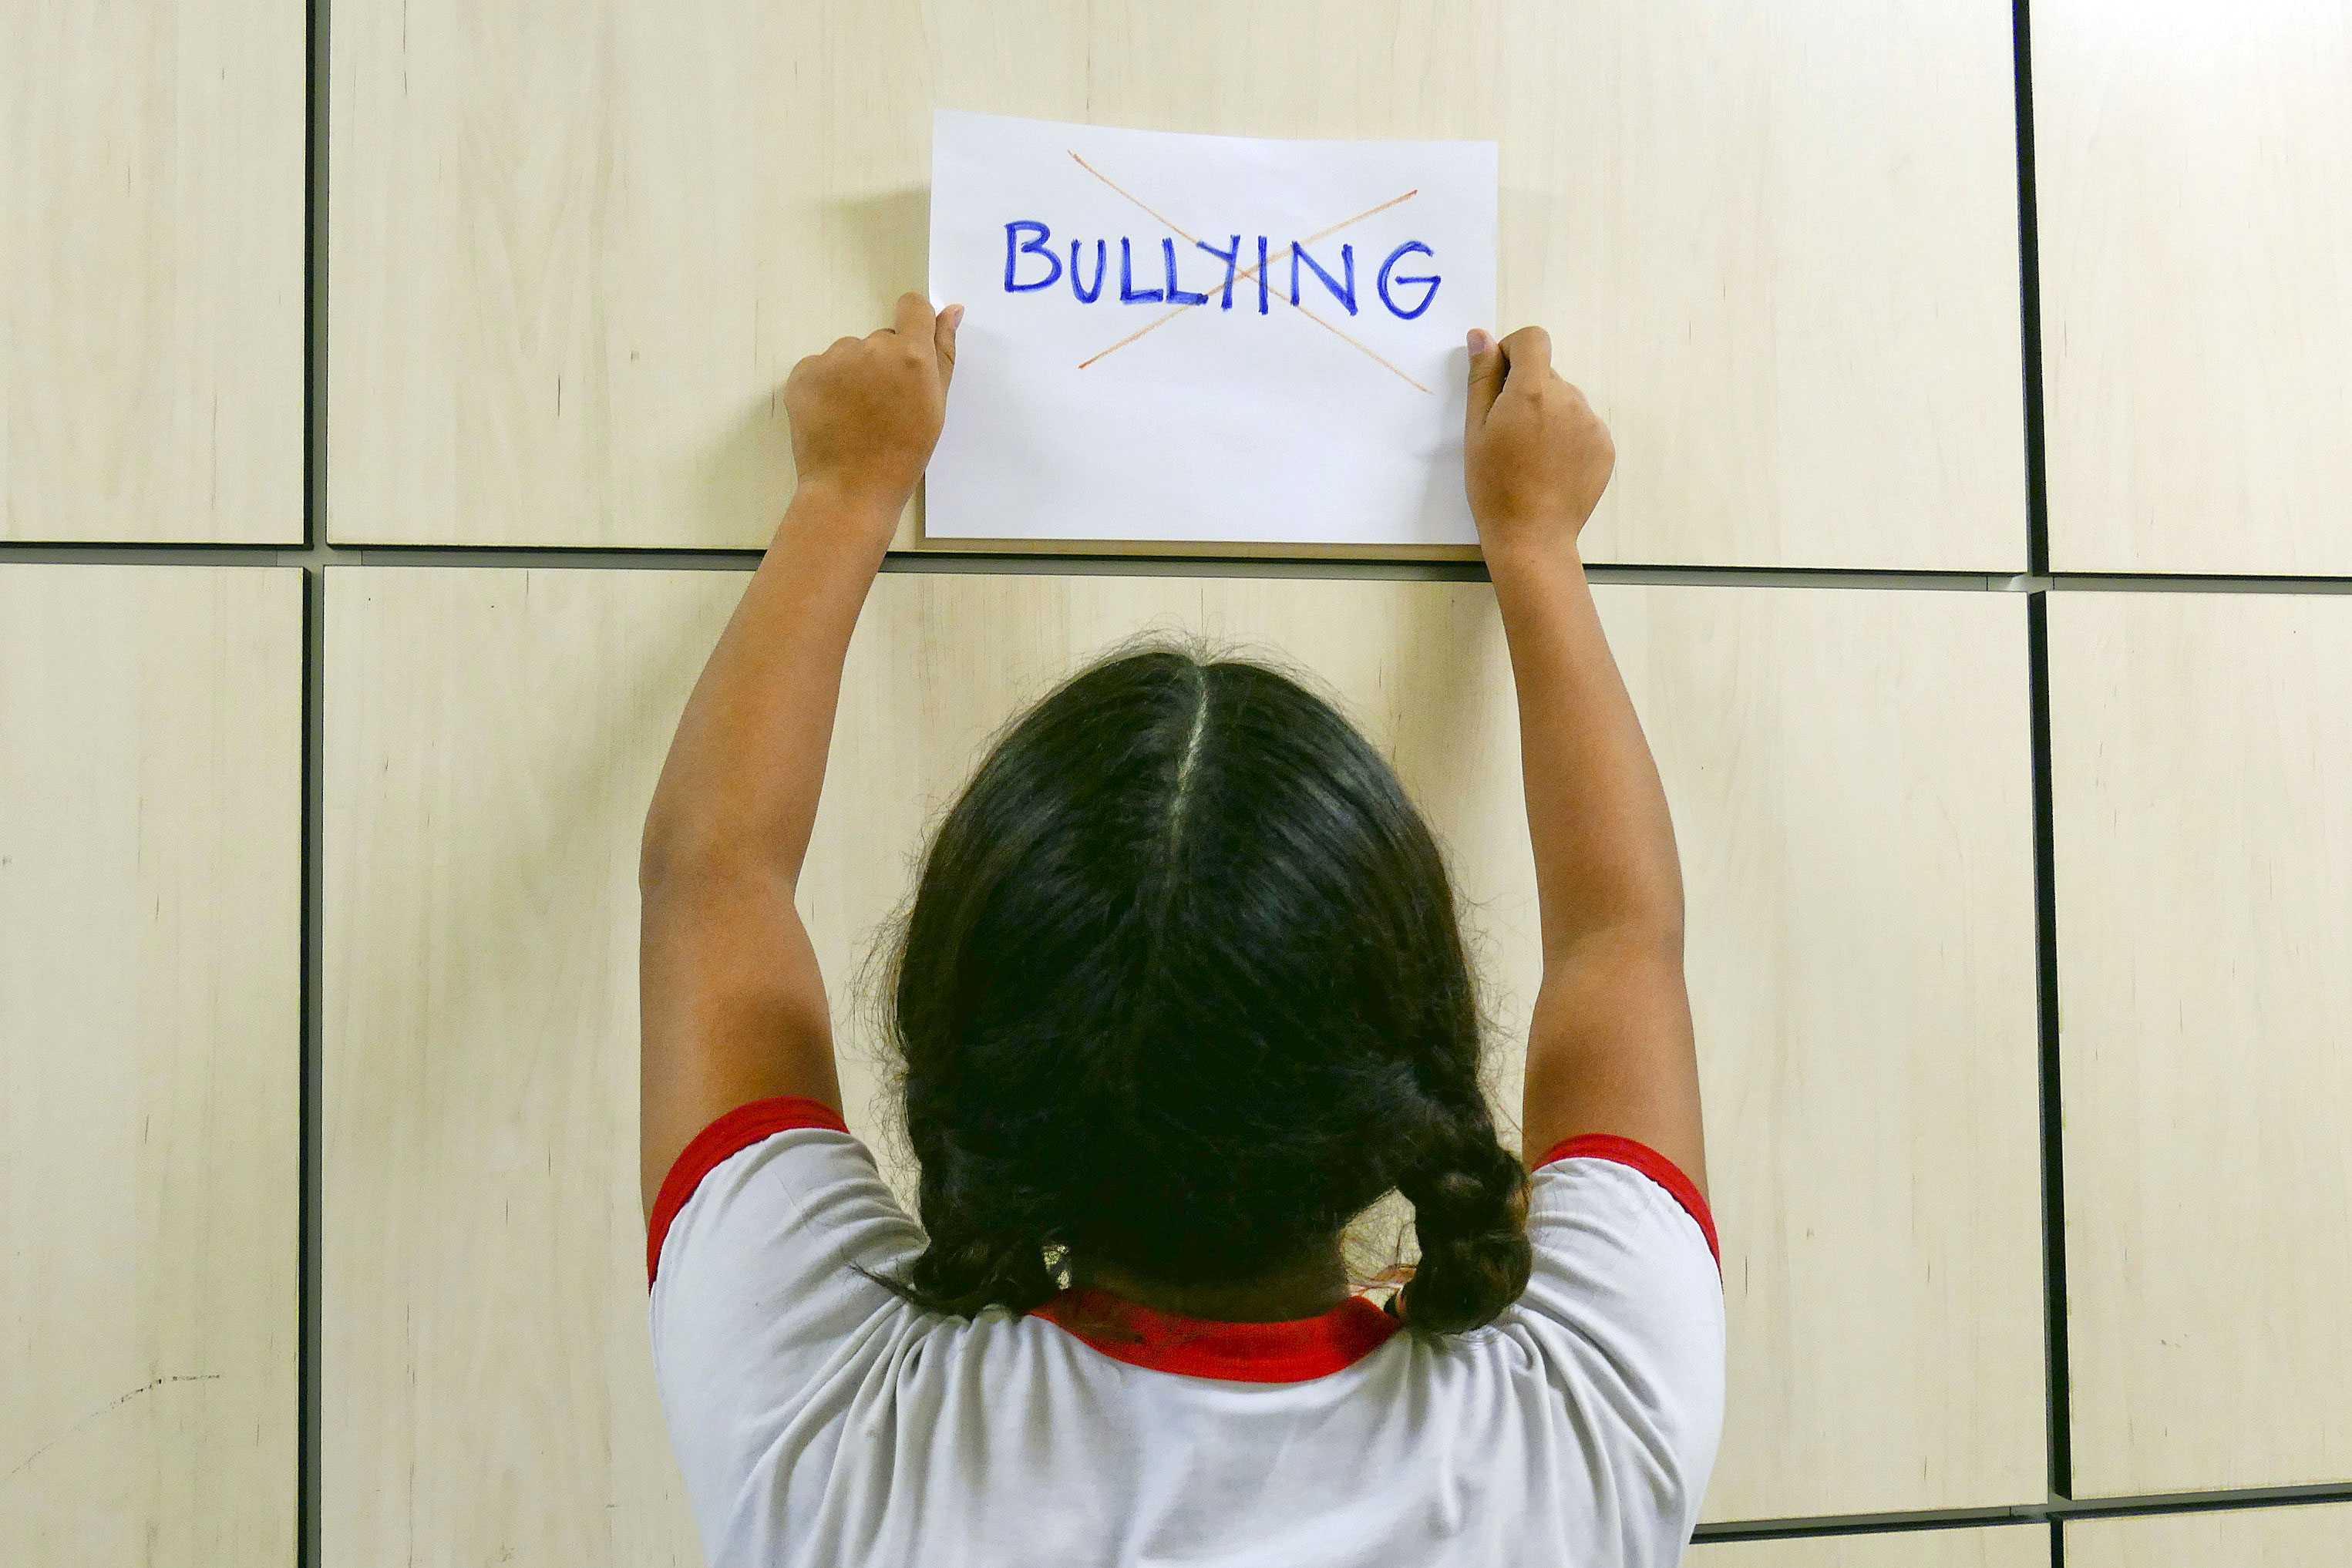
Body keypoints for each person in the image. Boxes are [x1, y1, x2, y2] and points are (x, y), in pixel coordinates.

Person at [638, 293, 1724, 1567]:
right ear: (1415, 1057)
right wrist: (1537, 542)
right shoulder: (1583, 1433)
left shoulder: (837, 1435)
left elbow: (713, 876)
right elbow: (1622, 939)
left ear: (958, 1060)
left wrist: (844, 489)